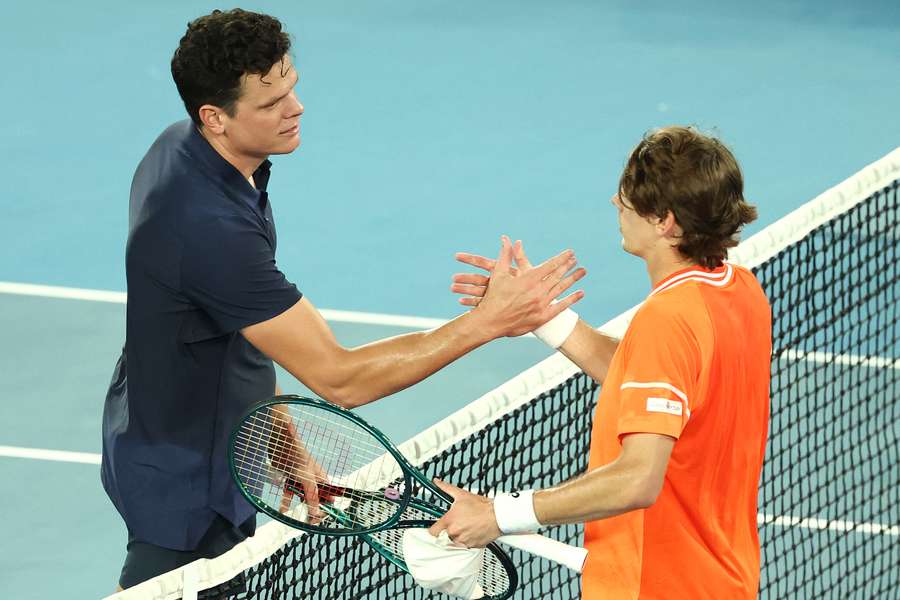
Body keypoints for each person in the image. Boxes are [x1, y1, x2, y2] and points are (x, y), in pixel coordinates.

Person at [100, 8, 586, 593]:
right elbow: (342, 379)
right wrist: (488, 322)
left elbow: (237, 331)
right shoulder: (207, 227)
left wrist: (283, 440)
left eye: (292, 88)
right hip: (185, 485)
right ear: (216, 117)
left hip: (217, 439)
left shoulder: (194, 150)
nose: (295, 108)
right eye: (271, 102)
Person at [432, 126, 771, 599]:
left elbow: (637, 480)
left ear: (665, 223)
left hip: (653, 586)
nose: (616, 202)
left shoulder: (668, 319)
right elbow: (653, 377)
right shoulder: (737, 289)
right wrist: (545, 319)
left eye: (628, 196)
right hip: (720, 580)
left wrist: (498, 514)